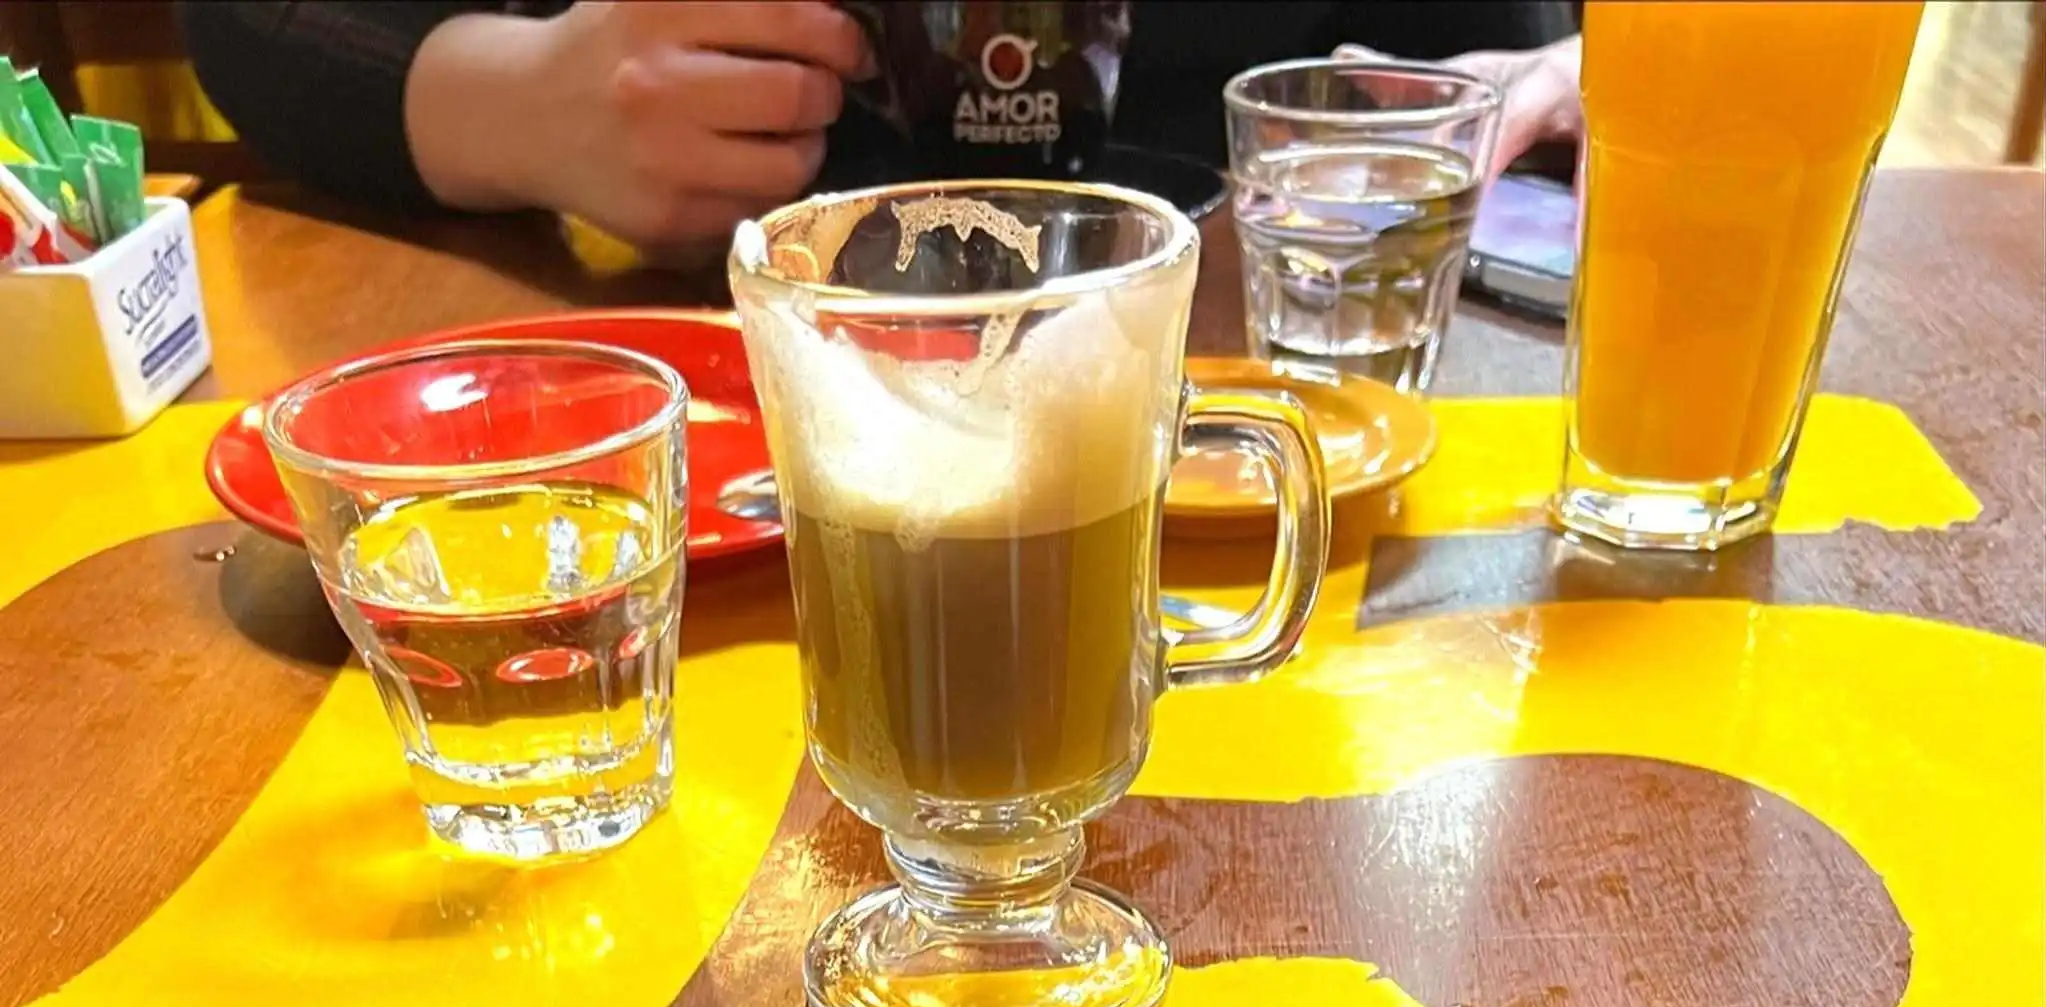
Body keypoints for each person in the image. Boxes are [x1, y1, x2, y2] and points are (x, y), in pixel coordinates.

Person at [181, 1, 1580, 261]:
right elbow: (247, 20)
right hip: (734, 414)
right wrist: (527, 96)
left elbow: (1524, 45)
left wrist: (1593, 65)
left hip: (1257, 421)